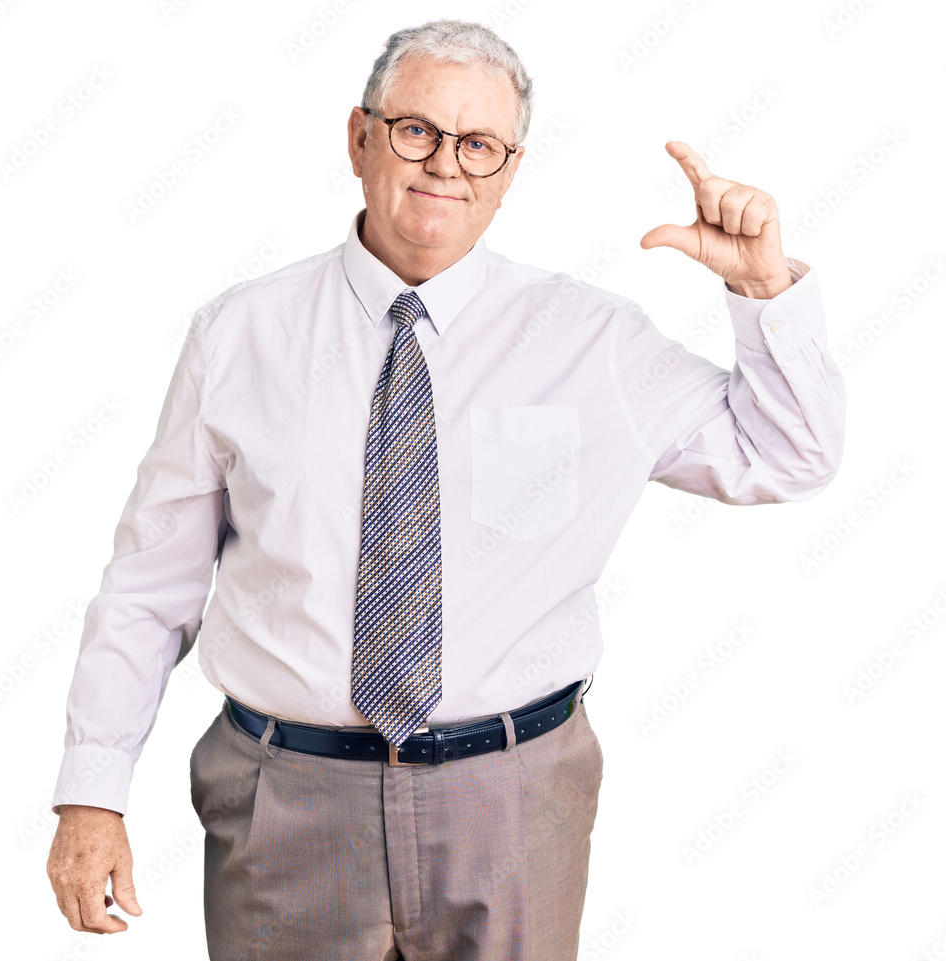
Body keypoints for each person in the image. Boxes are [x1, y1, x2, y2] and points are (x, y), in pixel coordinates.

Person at [46, 18, 846, 961]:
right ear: (360, 138)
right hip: (285, 803)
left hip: (514, 804)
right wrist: (90, 792)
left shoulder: (596, 341)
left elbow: (791, 454)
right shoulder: (239, 333)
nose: (445, 166)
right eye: (416, 130)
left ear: (509, 169)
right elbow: (152, 580)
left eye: (479, 145)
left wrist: (763, 291)